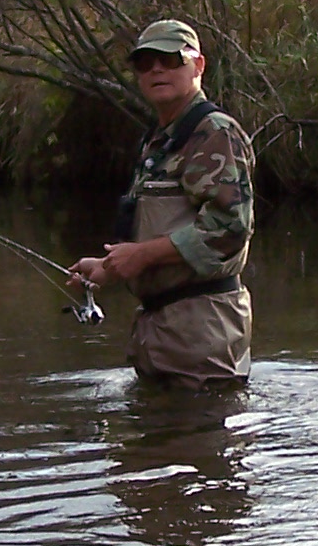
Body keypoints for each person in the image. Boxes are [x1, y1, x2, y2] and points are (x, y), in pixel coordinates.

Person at [71, 19, 255, 386]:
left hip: (201, 330)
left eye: (170, 60)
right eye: (145, 62)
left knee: (200, 422)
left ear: (198, 65)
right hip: (163, 330)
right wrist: (110, 267)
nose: (156, 69)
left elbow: (230, 228)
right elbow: (163, 226)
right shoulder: (158, 140)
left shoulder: (213, 132)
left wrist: (141, 256)